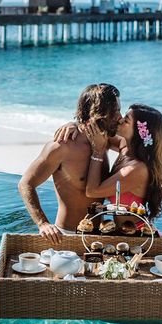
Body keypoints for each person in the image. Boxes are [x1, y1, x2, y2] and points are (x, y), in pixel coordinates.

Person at [18, 83, 122, 245]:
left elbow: (136, 146)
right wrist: (43, 223)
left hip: (100, 235)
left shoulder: (105, 139)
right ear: (99, 113)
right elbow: (26, 184)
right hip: (66, 236)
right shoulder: (61, 147)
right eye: (115, 111)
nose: (120, 117)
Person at [67, 103, 162, 223]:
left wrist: (98, 152)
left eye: (126, 120)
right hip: (121, 234)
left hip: (136, 236)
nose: (120, 120)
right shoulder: (124, 146)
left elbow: (92, 191)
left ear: (140, 132)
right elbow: (94, 131)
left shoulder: (137, 169)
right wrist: (73, 125)